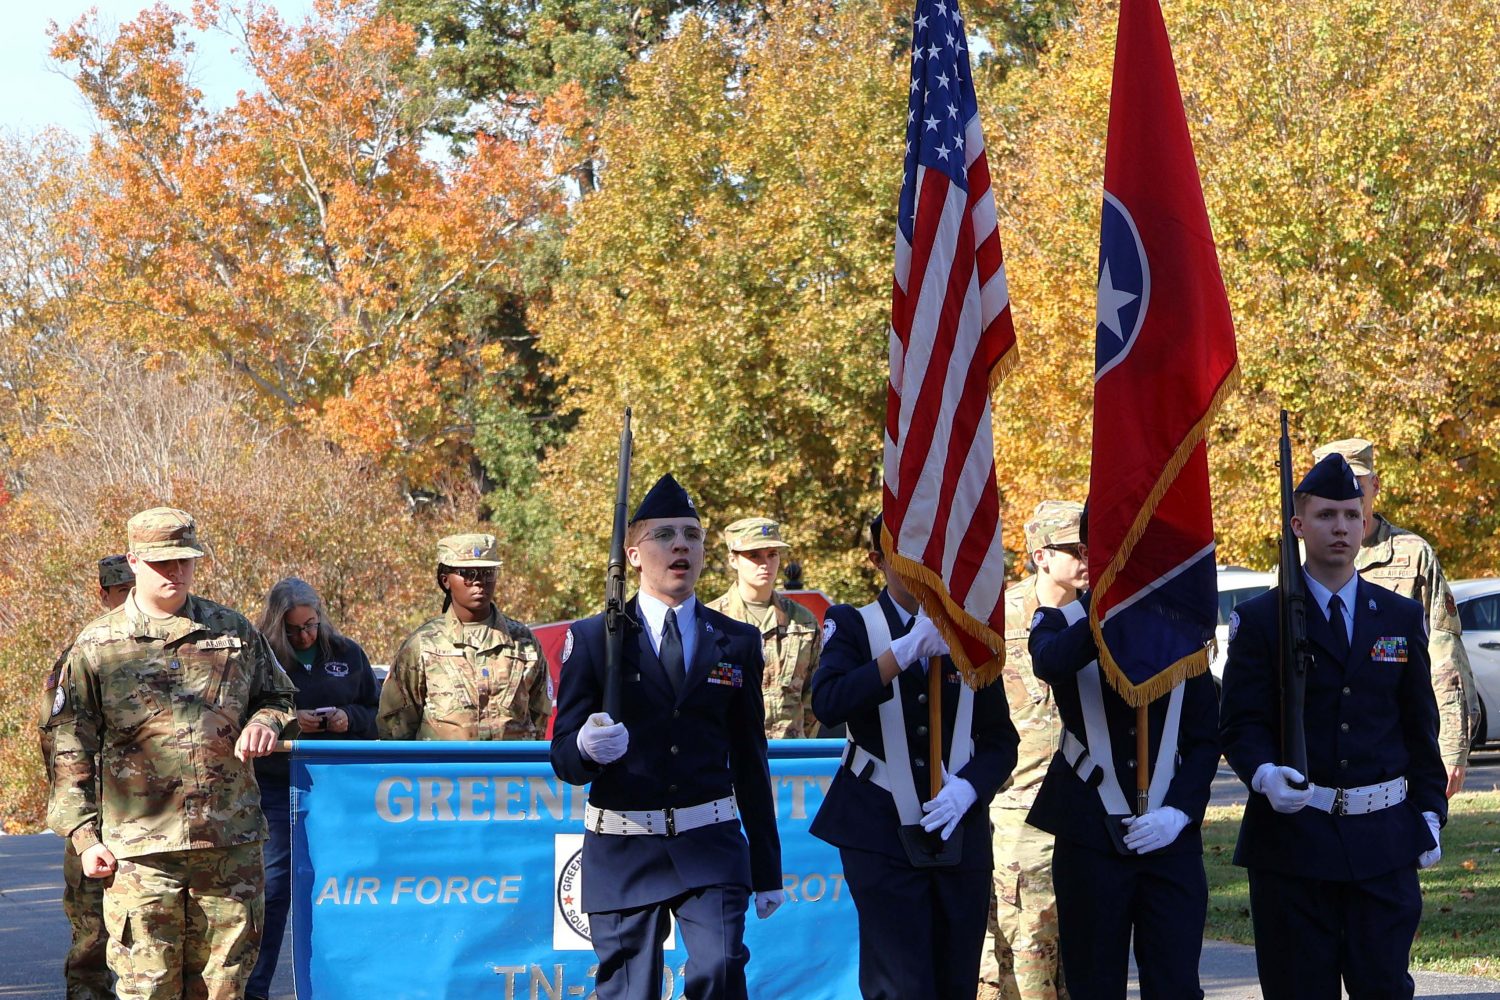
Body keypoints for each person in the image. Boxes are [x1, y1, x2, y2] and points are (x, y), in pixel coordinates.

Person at [46, 507, 297, 1000]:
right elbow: (70, 745)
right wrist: (84, 836)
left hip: (228, 843)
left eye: (184, 560)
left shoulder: (232, 631)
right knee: (149, 987)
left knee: (225, 987)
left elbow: (279, 697)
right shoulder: (99, 646)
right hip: (142, 854)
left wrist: (265, 722)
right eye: (162, 562)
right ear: (134, 561)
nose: (175, 572)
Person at [1220, 453, 1445, 998]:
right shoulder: (1261, 620)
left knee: (1384, 987)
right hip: (1295, 842)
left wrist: (1430, 812)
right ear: (1298, 525)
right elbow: (1241, 722)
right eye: (1326, 515)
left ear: (1365, 524)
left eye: (1351, 515)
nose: (1341, 527)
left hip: (1384, 839)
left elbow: (1419, 724)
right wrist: (1263, 774)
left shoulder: (1398, 616)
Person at [550, 474, 784, 999]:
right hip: (624, 846)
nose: (681, 545)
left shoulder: (737, 641)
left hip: (709, 843)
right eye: (664, 535)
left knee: (720, 969)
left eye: (691, 535)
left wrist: (768, 868)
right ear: (633, 555)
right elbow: (563, 757)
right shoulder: (594, 639)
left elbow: (751, 758)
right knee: (630, 990)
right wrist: (586, 748)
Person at [810, 514, 1019, 1000]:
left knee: (956, 979)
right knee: (901, 985)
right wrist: (900, 654)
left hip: (958, 830)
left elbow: (1000, 740)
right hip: (879, 826)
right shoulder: (854, 624)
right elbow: (830, 702)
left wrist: (969, 788)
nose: (921, 565)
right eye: (904, 554)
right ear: (877, 560)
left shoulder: (970, 632)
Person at [1026, 507, 1220, 999]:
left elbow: (1204, 736)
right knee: (1094, 985)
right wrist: (1111, 608)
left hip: (1168, 834)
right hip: (1090, 830)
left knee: (1176, 986)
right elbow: (1052, 663)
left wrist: (1180, 812)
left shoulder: (1184, 628)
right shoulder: (1058, 620)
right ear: (1090, 553)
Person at [1312, 436, 1476, 797]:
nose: (1345, 493)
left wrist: (1452, 746)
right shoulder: (1298, 562)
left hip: (1396, 741)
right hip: (1318, 748)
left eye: (1355, 482)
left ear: (1375, 485)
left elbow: (1444, 652)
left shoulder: (1411, 555)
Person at [245, 578, 379, 1000]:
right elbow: (243, 715)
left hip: (335, 786)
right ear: (276, 625)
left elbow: (377, 711)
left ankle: (348, 986)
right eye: (294, 629)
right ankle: (255, 989)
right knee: (273, 888)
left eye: (311, 625)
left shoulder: (347, 653)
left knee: (344, 884)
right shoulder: (259, 655)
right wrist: (290, 721)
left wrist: (348, 717)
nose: (305, 636)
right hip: (276, 785)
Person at [980, 502, 1082, 1000]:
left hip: (1087, 808)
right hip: (1019, 812)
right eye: (1075, 549)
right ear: (1041, 555)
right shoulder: (997, 619)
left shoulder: (1100, 615)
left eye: (1093, 547)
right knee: (1023, 950)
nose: (1087, 558)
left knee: (1081, 954)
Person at [38, 554, 134, 1000]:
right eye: (122, 590)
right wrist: (81, 820)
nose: (131, 598)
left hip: (152, 818)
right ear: (103, 594)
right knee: (93, 940)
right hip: (96, 817)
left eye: (136, 587)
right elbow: (58, 743)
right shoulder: (84, 654)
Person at [378, 533, 551, 741]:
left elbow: (539, 715)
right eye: (468, 573)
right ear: (446, 580)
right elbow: (396, 726)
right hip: (442, 762)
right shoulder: (422, 645)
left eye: (488, 573)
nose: (479, 582)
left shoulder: (523, 643)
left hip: (508, 763)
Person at [706, 516, 822, 738]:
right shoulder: (712, 622)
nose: (765, 564)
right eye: (754, 555)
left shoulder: (803, 622)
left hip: (790, 751)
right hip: (732, 752)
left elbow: (813, 696)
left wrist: (797, 741)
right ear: (733, 560)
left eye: (772, 554)